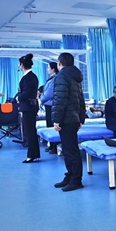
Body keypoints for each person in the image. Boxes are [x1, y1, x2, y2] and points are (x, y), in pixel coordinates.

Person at [52, 53, 86, 192]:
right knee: (68, 150)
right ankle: (70, 175)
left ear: (59, 63)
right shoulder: (75, 76)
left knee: (70, 151)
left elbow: (60, 99)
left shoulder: (62, 76)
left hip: (66, 119)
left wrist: (57, 119)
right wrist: (81, 118)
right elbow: (81, 99)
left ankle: (76, 180)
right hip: (73, 118)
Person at [16, 54, 41, 163]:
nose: (19, 66)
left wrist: (18, 97)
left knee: (30, 131)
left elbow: (27, 93)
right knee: (30, 131)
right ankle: (34, 154)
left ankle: (32, 155)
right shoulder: (29, 76)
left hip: (29, 107)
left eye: (19, 64)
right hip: (29, 107)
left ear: (22, 65)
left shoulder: (29, 77)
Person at [40, 61, 59, 154]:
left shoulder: (55, 79)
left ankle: (54, 146)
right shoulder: (51, 79)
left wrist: (41, 100)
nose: (47, 69)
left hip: (51, 105)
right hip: (48, 104)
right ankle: (51, 145)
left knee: (52, 126)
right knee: (49, 125)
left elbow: (49, 93)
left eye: (48, 68)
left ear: (53, 69)